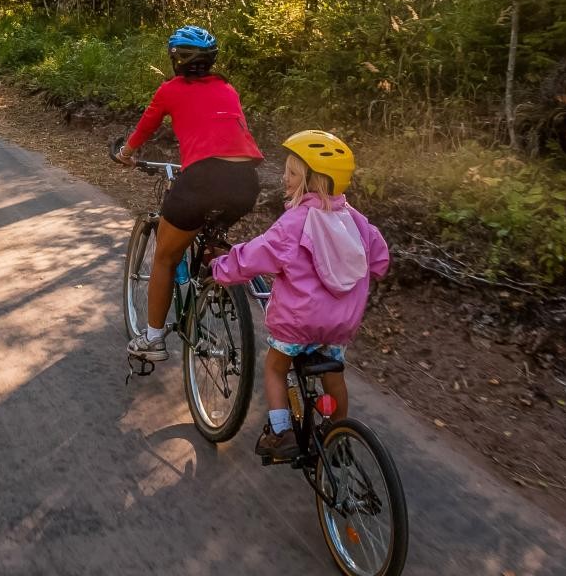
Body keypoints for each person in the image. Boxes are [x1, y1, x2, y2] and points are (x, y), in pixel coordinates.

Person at [209, 130, 390, 462]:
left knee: (275, 367)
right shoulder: (358, 222)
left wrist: (220, 268)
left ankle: (281, 433)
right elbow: (379, 259)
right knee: (334, 376)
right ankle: (339, 434)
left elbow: (252, 256)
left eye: (292, 173)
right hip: (340, 324)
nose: (284, 178)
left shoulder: (294, 222)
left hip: (297, 324)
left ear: (313, 181)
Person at [115, 26, 263, 365]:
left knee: (166, 258)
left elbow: (144, 129)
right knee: (213, 231)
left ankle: (152, 340)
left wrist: (127, 153)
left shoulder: (170, 90)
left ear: (175, 60)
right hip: (246, 182)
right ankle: (216, 280)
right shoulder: (227, 88)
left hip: (201, 179)